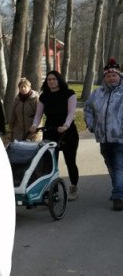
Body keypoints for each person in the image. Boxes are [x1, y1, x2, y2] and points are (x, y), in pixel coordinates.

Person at [29, 71, 80, 200]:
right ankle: (54, 190)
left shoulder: (69, 94)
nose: (51, 81)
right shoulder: (44, 97)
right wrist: (35, 125)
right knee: (51, 163)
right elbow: (38, 115)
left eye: (54, 79)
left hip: (67, 132)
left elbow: (71, 113)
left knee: (70, 161)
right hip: (51, 130)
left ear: (59, 80)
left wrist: (66, 125)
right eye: (49, 79)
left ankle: (73, 187)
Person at [83, 58, 123, 211]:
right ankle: (118, 190)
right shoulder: (97, 93)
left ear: (119, 76)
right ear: (104, 77)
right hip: (103, 138)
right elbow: (87, 109)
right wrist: (91, 124)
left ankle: (118, 196)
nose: (111, 78)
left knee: (119, 166)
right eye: (108, 76)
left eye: (114, 75)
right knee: (110, 165)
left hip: (120, 137)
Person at [9, 77, 42, 142]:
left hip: (32, 131)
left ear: (29, 87)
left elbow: (39, 114)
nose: (23, 89)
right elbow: (13, 114)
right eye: (21, 87)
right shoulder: (17, 99)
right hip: (18, 131)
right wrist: (11, 127)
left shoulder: (35, 99)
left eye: (25, 86)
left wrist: (36, 127)